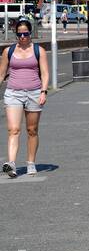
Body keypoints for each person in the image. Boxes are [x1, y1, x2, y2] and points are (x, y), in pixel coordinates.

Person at [1, 18, 50, 177]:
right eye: (19, 34)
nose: (22, 37)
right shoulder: (8, 51)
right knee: (13, 129)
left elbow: (45, 73)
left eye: (25, 34)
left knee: (32, 130)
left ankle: (30, 163)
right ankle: (12, 164)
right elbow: (1, 74)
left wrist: (43, 91)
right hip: (13, 93)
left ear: (31, 34)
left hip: (34, 93)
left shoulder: (39, 50)